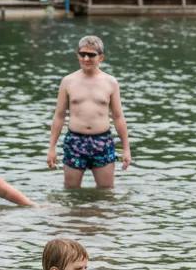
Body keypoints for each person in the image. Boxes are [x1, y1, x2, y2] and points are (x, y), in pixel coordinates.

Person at [47, 35, 132, 189]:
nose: (86, 58)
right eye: (82, 54)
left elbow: (118, 117)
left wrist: (126, 149)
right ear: (77, 55)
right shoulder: (68, 81)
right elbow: (59, 116)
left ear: (101, 57)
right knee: (71, 192)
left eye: (91, 55)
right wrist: (51, 148)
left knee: (106, 193)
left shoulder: (110, 82)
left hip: (102, 141)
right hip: (75, 141)